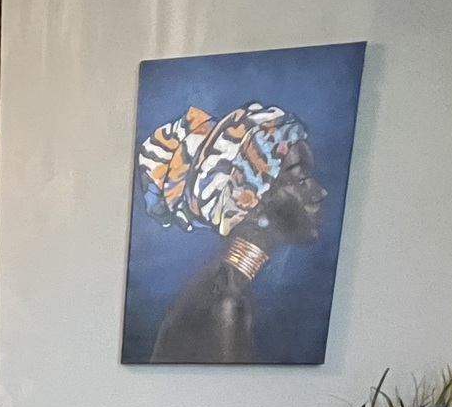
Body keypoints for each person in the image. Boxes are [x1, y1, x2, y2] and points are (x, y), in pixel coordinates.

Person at [136, 103, 327, 363]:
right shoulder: (226, 303)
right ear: (249, 200)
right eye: (301, 179)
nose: (320, 193)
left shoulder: (225, 288)